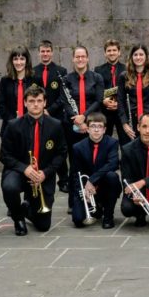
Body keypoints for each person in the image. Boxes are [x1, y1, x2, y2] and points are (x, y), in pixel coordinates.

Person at [0, 85, 66, 236]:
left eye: (39, 100)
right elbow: (4, 155)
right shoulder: (13, 125)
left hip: (42, 175)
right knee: (9, 187)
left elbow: (61, 154)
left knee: (43, 226)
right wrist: (25, 168)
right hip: (19, 171)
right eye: (31, 101)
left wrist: (45, 173)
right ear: (25, 103)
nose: (35, 104)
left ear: (44, 103)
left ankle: (26, 207)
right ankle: (18, 219)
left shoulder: (55, 125)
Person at [62, 46, 102, 191]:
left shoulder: (97, 78)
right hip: (72, 125)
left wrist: (84, 118)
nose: (80, 59)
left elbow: (98, 101)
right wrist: (77, 120)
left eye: (83, 56)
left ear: (87, 58)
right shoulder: (66, 79)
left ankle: (93, 196)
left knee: (92, 161)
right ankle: (74, 200)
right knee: (74, 162)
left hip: (92, 125)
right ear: (73, 59)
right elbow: (65, 102)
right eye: (77, 57)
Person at [69, 112, 119, 228]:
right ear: (87, 129)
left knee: (112, 176)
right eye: (93, 126)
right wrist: (82, 193)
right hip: (86, 189)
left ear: (104, 129)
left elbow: (113, 164)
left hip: (103, 186)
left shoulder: (112, 143)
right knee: (78, 220)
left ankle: (108, 216)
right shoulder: (78, 147)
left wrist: (91, 180)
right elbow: (75, 174)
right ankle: (96, 207)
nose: (96, 130)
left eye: (99, 126)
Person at [34, 40, 69, 191]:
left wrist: (50, 110)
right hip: (37, 115)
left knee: (59, 148)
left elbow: (64, 96)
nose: (45, 54)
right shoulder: (33, 71)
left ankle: (64, 180)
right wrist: (40, 109)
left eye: (48, 51)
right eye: (42, 51)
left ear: (52, 52)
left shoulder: (62, 71)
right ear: (39, 53)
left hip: (56, 117)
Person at [118, 44, 149, 142]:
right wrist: (124, 123)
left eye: (141, 54)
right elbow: (120, 101)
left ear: (146, 57)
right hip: (130, 120)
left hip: (148, 120)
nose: (138, 57)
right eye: (135, 54)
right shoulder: (123, 76)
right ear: (131, 57)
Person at [0, 46, 38, 138]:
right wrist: (13, 120)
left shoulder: (36, 79)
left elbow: (39, 103)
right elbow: (1, 106)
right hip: (9, 126)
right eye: (15, 59)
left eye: (22, 59)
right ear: (11, 61)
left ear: (27, 61)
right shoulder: (5, 81)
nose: (19, 62)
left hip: (31, 126)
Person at [95, 39, 126, 143]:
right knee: (103, 141)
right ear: (105, 53)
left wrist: (119, 103)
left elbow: (128, 90)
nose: (112, 53)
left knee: (125, 140)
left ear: (119, 52)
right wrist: (103, 100)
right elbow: (97, 90)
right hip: (105, 111)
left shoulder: (126, 69)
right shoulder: (98, 70)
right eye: (109, 50)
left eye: (114, 50)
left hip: (122, 111)